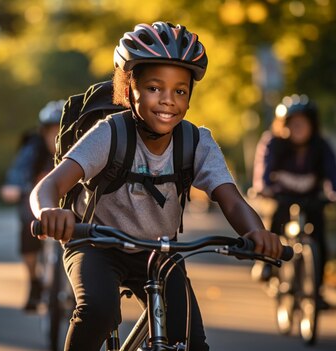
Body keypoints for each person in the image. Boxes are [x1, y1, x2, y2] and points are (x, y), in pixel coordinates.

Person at [29, 21, 284, 350]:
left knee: (189, 340)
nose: (168, 100)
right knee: (99, 311)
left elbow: (231, 200)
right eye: (154, 88)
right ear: (127, 90)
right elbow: (48, 187)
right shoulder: (111, 133)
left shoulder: (196, 142)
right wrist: (50, 210)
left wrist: (256, 233)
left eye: (180, 90)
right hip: (95, 244)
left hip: (159, 252)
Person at [251, 95, 336, 304]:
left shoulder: (321, 146)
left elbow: (333, 173)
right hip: (282, 197)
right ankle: (266, 261)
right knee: (276, 221)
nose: (298, 128)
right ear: (283, 126)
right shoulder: (273, 143)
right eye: (293, 124)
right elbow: (263, 171)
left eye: (303, 123)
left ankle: (317, 291)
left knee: (319, 239)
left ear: (313, 125)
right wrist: (263, 187)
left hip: (311, 198)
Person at [1, 100, 63, 311]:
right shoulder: (32, 148)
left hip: (69, 204)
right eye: (52, 131)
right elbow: (18, 172)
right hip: (37, 204)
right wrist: (13, 187)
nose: (56, 137)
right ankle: (34, 281)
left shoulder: (80, 145)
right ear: (43, 132)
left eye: (61, 130)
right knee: (28, 224)